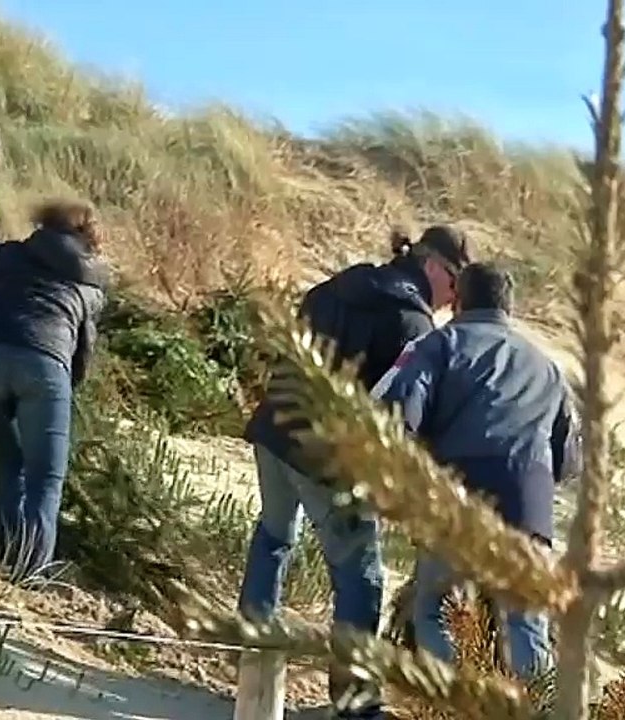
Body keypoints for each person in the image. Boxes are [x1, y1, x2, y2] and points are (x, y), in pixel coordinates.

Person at [238, 225, 471, 718]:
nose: (454, 297)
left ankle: (252, 676)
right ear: (433, 267)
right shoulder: (414, 325)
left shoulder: (338, 284)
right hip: (326, 460)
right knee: (361, 579)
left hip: (274, 431)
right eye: (454, 282)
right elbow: (399, 414)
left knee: (274, 540)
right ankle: (354, 704)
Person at [378, 262, 581, 681]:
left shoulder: (439, 344)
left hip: (459, 503)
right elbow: (570, 461)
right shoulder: (546, 367)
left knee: (433, 609)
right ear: (510, 307)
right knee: (526, 626)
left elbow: (401, 416)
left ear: (459, 300)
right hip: (527, 510)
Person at [0, 199, 108, 582]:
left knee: (10, 460)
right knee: (45, 475)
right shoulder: (90, 279)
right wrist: (65, 388)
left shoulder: (11, 254)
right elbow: (83, 351)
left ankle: (7, 550)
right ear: (87, 236)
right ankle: (29, 573)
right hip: (44, 367)